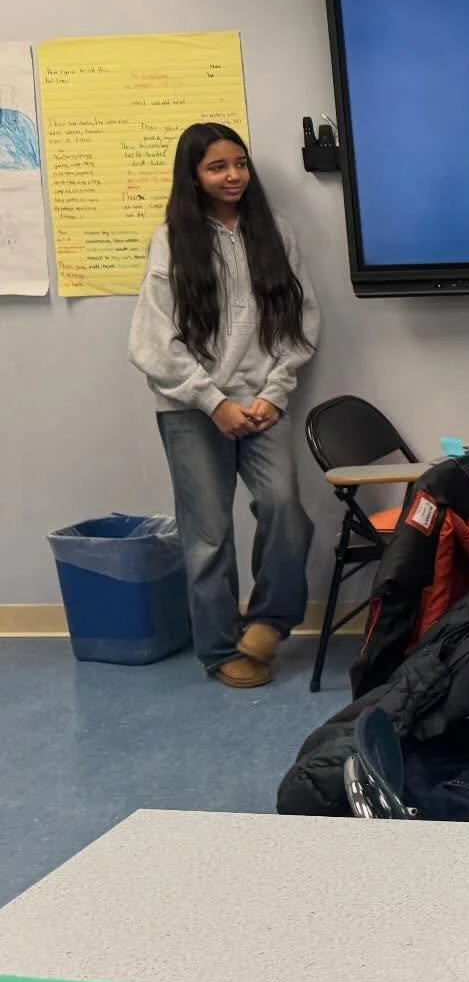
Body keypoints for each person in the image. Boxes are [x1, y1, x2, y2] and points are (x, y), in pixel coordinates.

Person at [127, 123, 318, 688]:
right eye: (217, 167)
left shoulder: (276, 233)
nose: (233, 175)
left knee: (285, 509)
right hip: (191, 408)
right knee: (207, 534)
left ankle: (268, 622)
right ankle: (217, 649)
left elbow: (301, 323)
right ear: (194, 176)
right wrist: (212, 401)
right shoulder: (171, 240)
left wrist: (274, 393)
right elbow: (151, 341)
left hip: (263, 404)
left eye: (240, 163)